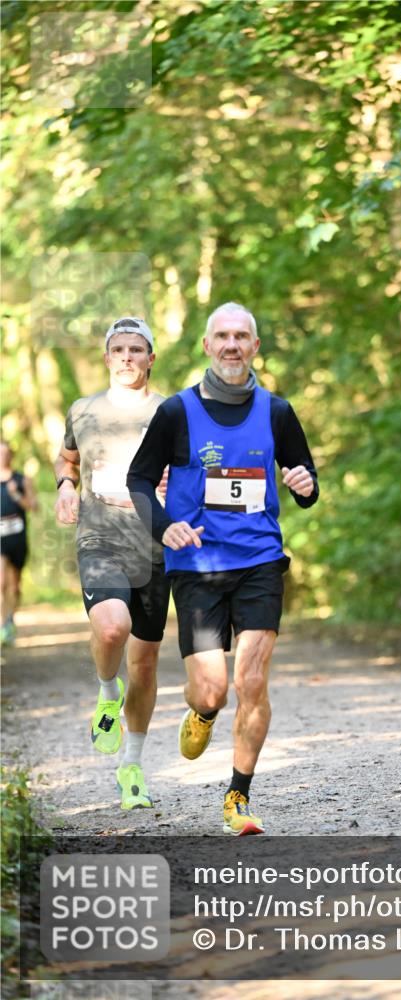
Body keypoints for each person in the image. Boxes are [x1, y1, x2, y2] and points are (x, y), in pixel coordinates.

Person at [127, 301, 318, 836]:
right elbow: (139, 480)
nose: (232, 345)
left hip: (259, 560)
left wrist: (306, 485)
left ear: (255, 346)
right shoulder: (177, 413)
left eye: (242, 336)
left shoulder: (277, 411)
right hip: (196, 566)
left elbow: (304, 475)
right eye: (222, 336)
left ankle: (238, 795)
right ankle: (204, 713)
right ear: (207, 346)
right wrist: (164, 526)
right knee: (211, 689)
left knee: (251, 680)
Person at [54, 317, 171, 811]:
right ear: (106, 357)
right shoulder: (83, 409)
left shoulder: (173, 411)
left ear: (150, 358)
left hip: (156, 548)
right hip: (100, 539)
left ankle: (133, 766)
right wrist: (65, 486)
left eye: (136, 349)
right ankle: (107, 691)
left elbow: (198, 466)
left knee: (144, 665)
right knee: (110, 629)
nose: (127, 357)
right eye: (118, 349)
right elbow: (67, 459)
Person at [0, 441, 38, 645]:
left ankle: (9, 620)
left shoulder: (22, 480)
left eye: (5, 453)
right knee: (1, 582)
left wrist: (16, 494)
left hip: (17, 538)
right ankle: (2, 625)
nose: (2, 457)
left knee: (14, 587)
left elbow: (34, 506)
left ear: (11, 456)